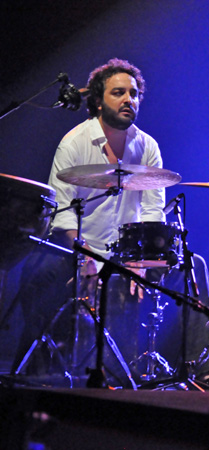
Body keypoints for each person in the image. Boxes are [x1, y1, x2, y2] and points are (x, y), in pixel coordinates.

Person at [11, 58, 166, 378]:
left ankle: (194, 370)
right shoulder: (74, 143)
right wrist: (86, 257)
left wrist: (141, 257)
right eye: (118, 93)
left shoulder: (148, 146)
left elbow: (153, 210)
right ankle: (34, 371)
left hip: (125, 253)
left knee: (192, 268)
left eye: (134, 93)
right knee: (37, 272)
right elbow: (61, 216)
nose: (129, 99)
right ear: (97, 101)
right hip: (76, 249)